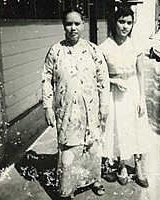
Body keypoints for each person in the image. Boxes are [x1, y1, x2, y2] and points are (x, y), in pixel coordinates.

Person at [41, 7, 109, 198]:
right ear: (64, 26)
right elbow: (46, 80)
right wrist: (47, 108)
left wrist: (104, 104)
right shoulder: (55, 51)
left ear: (83, 25)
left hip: (91, 109)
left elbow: (103, 79)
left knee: (93, 146)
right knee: (69, 149)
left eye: (77, 24)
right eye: (69, 24)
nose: (73, 28)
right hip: (67, 110)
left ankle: (95, 180)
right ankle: (67, 189)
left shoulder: (93, 50)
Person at [99, 6, 151, 188]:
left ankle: (138, 167)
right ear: (115, 22)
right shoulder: (104, 47)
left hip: (133, 90)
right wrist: (113, 81)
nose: (125, 26)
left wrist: (142, 98)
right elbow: (101, 76)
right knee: (119, 128)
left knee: (137, 128)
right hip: (115, 94)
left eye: (129, 22)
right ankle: (121, 165)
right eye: (122, 21)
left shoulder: (135, 45)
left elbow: (141, 73)